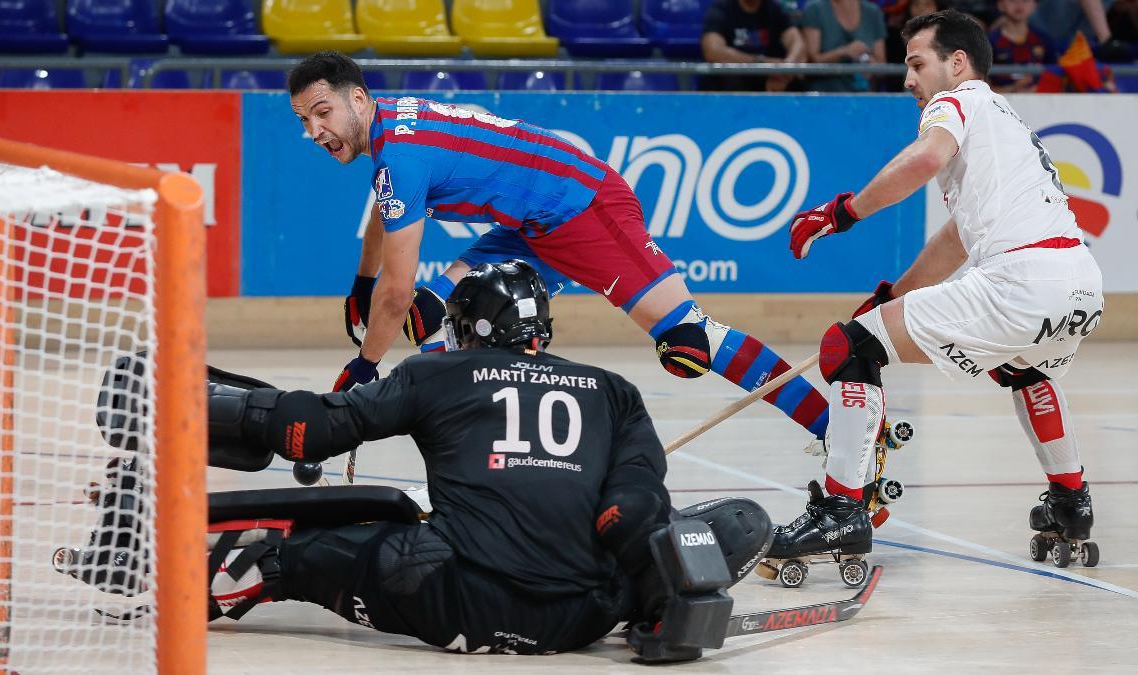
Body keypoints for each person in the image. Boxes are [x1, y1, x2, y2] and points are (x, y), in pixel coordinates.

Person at [190, 260, 773, 658]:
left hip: (452, 600)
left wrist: (221, 407)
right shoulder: (613, 390)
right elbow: (629, 511)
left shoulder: (435, 372)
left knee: (301, 555)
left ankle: (234, 579)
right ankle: (672, 602)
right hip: (577, 623)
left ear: (469, 328)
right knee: (706, 523)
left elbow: (314, 431)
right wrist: (654, 580)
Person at [289, 51, 830, 447]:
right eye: (304, 121)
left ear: (356, 98)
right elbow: (388, 210)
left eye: (322, 113)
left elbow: (396, 291)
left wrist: (365, 367)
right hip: (533, 219)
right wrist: (361, 283)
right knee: (435, 314)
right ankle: (481, 469)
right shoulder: (390, 124)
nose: (315, 131)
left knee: (692, 341)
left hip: (585, 207)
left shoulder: (400, 157)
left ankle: (840, 434)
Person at [777, 10, 1102, 565]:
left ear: (957, 63)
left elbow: (927, 157)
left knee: (849, 348)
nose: (908, 79)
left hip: (1020, 283)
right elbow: (955, 241)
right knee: (1027, 367)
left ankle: (842, 511)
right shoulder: (1006, 121)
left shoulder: (956, 102)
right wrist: (893, 298)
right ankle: (1071, 501)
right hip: (1079, 288)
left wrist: (842, 213)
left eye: (916, 63)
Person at [700, 0, 808, 91]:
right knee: (729, 78)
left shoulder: (773, 9)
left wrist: (786, 70)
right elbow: (713, 51)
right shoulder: (721, 9)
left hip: (770, 80)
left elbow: (797, 43)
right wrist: (763, 63)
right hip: (735, 81)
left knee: (797, 83)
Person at [800, 0, 888, 91]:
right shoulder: (814, 9)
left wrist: (871, 64)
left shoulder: (873, 12)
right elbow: (813, 60)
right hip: (824, 95)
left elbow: (882, 65)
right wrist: (844, 52)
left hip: (864, 97)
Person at [989, 0, 1057, 92]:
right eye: (1012, 0)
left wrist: (1039, 89)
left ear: (1034, 5)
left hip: (1040, 100)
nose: (1019, 4)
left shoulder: (1043, 39)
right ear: (1000, 5)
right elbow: (981, 82)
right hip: (1001, 101)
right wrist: (1012, 89)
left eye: (1025, 0)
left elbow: (1055, 74)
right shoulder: (990, 41)